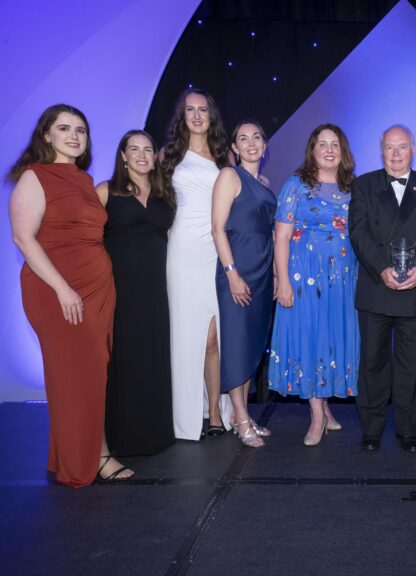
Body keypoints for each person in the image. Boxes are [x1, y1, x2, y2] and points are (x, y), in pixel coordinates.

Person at [8, 104, 132, 486]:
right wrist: (63, 288)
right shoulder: (35, 175)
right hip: (58, 290)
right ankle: (96, 457)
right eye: (64, 128)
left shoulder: (82, 179)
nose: (74, 136)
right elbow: (23, 238)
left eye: (81, 129)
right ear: (46, 135)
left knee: (86, 374)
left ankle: (67, 455)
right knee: (80, 376)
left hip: (96, 289)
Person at [349, 125, 416, 452]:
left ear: (413, 149)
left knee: (412, 364)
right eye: (389, 147)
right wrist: (381, 269)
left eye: (402, 147)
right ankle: (372, 429)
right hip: (376, 288)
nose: (395, 153)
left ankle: (408, 430)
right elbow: (359, 234)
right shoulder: (363, 185)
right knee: (373, 363)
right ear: (381, 150)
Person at [268, 124, 358, 446]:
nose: (330, 149)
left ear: (343, 150)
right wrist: (284, 282)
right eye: (323, 144)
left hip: (343, 281)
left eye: (335, 143)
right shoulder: (296, 185)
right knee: (310, 338)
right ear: (313, 150)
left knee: (330, 340)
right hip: (304, 278)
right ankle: (317, 415)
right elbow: (281, 236)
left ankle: (327, 410)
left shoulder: (353, 188)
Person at [97, 130, 175, 456]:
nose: (142, 155)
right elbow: (86, 235)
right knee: (124, 358)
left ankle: (154, 434)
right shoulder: (106, 190)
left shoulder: (163, 194)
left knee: (153, 354)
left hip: (156, 287)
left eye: (148, 149)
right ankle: (122, 438)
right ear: (123, 155)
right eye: (134, 149)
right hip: (120, 288)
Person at [162, 88, 233, 440]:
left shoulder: (224, 157)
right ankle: (184, 415)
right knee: (185, 336)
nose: (196, 115)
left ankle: (216, 413)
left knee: (213, 338)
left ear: (211, 116)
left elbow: (239, 196)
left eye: (202, 109)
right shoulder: (168, 155)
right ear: (182, 116)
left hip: (216, 251)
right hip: (182, 251)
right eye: (189, 109)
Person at [212, 120, 275, 447]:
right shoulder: (229, 176)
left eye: (257, 137)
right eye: (243, 139)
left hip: (262, 273)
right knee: (236, 344)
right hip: (237, 272)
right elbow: (218, 229)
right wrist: (233, 273)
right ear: (234, 147)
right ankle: (240, 417)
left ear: (265, 146)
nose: (251, 143)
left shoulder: (263, 181)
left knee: (251, 344)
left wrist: (275, 273)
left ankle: (244, 414)